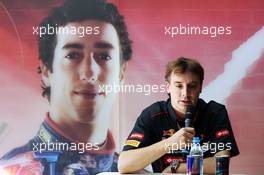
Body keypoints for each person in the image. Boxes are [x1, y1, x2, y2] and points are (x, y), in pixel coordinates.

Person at [0, 0, 132, 174]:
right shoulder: (11, 170)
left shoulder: (132, 170)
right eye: (73, 55)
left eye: (104, 56)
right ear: (47, 70)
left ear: (121, 72)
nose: (89, 72)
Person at [118, 57, 239, 174]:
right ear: (168, 87)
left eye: (192, 86)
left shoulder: (215, 113)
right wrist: (170, 143)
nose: (185, 93)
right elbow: (124, 164)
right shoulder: (153, 114)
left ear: (200, 87)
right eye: (179, 85)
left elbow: (221, 165)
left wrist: (176, 168)